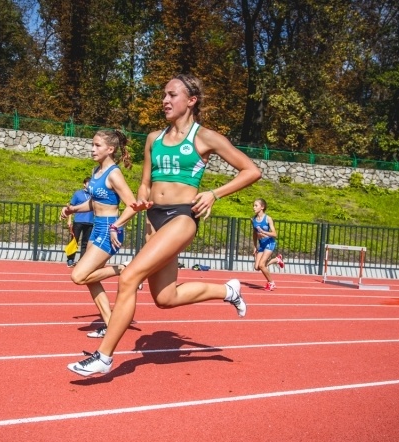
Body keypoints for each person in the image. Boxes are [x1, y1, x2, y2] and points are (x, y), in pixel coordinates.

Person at [68, 73, 262, 377]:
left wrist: (213, 193)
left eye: (172, 95)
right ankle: (227, 291)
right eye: (163, 95)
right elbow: (145, 184)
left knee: (129, 277)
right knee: (164, 298)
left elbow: (251, 170)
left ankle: (104, 355)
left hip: (183, 216)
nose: (165, 101)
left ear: (191, 100)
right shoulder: (153, 138)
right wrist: (142, 202)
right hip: (155, 218)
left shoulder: (204, 137)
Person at [61, 129, 139, 339]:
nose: (92, 149)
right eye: (92, 144)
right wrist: (72, 209)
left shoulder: (114, 174)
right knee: (90, 279)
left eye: (97, 145)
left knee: (78, 275)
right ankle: (110, 323)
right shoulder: (96, 171)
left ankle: (123, 268)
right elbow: (95, 202)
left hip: (108, 230)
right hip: (97, 228)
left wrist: (117, 226)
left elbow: (133, 206)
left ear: (110, 149)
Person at [251, 198, 283, 290]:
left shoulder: (268, 219)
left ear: (262, 207)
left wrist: (264, 232)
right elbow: (254, 233)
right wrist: (254, 246)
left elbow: (274, 234)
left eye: (256, 205)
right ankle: (277, 259)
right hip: (262, 245)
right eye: (253, 205)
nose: (254, 207)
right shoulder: (253, 219)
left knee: (261, 265)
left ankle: (271, 283)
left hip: (269, 243)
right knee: (257, 267)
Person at [65, 177, 94, 267]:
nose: (90, 185)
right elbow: (71, 207)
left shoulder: (93, 195)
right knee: (74, 240)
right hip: (78, 221)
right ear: (84, 184)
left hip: (90, 222)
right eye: (88, 183)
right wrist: (69, 220)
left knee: (86, 242)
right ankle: (70, 259)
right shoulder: (78, 194)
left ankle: (82, 260)